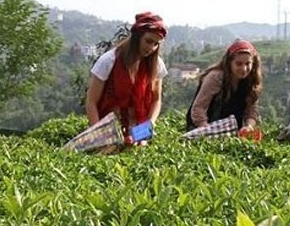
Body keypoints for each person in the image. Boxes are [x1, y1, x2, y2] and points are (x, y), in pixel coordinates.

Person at [85, 12, 168, 140]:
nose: (151, 47)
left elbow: (156, 100)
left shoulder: (156, 65)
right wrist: (98, 135)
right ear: (137, 37)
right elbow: (91, 102)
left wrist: (149, 126)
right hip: (109, 130)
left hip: (139, 131)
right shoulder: (108, 61)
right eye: (148, 41)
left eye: (156, 44)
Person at [186, 40, 263, 133]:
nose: (244, 69)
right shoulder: (216, 78)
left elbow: (251, 111)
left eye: (247, 64)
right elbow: (199, 107)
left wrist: (248, 127)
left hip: (231, 131)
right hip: (205, 126)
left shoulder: (250, 82)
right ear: (230, 62)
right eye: (238, 64)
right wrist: (206, 129)